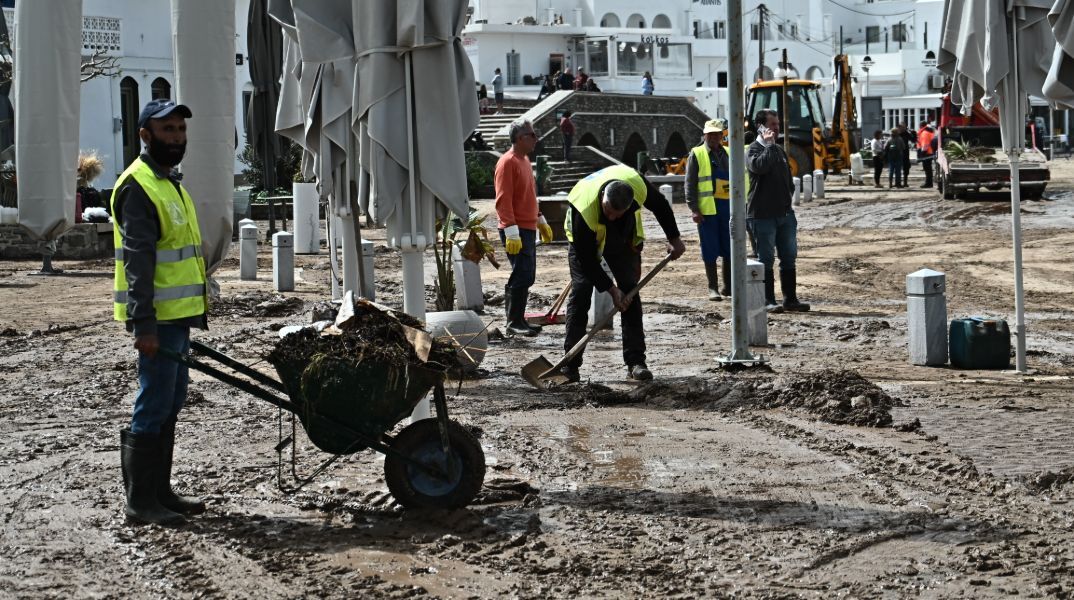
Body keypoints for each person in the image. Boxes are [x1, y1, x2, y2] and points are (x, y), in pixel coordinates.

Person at [111, 99, 208, 526]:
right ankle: (140, 501)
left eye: (180, 130)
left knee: (171, 401)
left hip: (178, 317)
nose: (177, 137)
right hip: (159, 321)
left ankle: (160, 492)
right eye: (167, 130)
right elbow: (139, 261)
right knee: (153, 402)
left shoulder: (169, 183)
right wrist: (144, 324)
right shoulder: (138, 186)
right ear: (144, 135)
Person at [560, 165, 686, 383]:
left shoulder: (637, 184)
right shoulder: (584, 207)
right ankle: (570, 365)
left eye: (617, 213)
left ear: (630, 205)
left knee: (630, 291)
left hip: (622, 238)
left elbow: (660, 205)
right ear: (603, 198)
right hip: (584, 241)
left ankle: (636, 362)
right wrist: (611, 289)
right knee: (581, 293)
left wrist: (674, 238)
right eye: (608, 211)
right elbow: (587, 260)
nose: (611, 216)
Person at [495, 120, 554, 336]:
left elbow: (528, 194)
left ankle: (519, 320)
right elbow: (503, 199)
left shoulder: (525, 161)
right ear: (520, 138)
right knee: (521, 274)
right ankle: (513, 322)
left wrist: (539, 218)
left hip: (527, 227)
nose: (536, 139)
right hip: (516, 229)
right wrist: (510, 229)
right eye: (532, 135)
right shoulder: (507, 162)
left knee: (527, 275)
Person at [747, 109, 810, 313]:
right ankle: (768, 300)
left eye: (777, 124)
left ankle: (790, 300)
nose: (776, 128)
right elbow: (760, 167)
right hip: (762, 215)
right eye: (772, 124)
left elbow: (787, 180)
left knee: (789, 256)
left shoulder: (779, 150)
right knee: (766, 259)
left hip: (784, 214)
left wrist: (787, 200)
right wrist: (769, 146)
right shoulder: (753, 150)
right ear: (761, 127)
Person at [685, 119, 738, 301]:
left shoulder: (728, 153)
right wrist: (694, 208)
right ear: (705, 135)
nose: (714, 137)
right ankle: (712, 288)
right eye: (711, 134)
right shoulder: (697, 154)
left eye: (717, 134)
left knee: (729, 247)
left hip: (727, 208)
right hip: (707, 210)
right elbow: (690, 184)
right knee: (710, 249)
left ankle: (728, 287)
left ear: (722, 135)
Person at [917, 121, 937, 188]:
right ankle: (929, 183)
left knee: (927, 169)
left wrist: (922, 154)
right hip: (930, 152)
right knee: (929, 169)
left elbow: (925, 144)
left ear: (921, 126)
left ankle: (928, 183)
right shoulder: (929, 131)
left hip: (926, 153)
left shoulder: (924, 133)